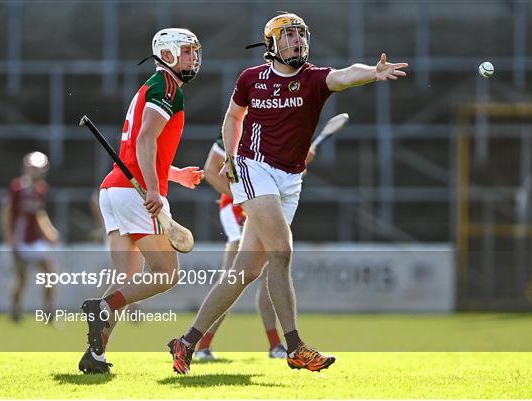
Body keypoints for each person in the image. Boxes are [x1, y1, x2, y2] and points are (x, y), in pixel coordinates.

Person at [168, 12, 408, 375]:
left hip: (291, 179)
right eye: (289, 35)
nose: (298, 41)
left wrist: (373, 73)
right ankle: (294, 346)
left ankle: (185, 342)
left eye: (301, 35)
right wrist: (232, 157)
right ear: (272, 44)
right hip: (254, 166)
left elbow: (344, 75)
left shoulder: (313, 79)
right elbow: (233, 119)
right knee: (282, 250)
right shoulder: (251, 79)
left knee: (246, 271)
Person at [78, 28, 205, 374]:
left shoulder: (153, 86)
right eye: (187, 51)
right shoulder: (166, 87)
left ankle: (95, 355)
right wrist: (153, 190)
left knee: (127, 277)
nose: (193, 57)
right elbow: (146, 140)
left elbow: (142, 147)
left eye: (194, 51)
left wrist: (174, 175)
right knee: (166, 274)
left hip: (114, 191)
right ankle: (103, 307)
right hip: (136, 193)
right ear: (166, 55)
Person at [194, 129, 316, 361]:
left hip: (269, 209)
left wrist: (301, 161)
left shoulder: (284, 126)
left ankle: (276, 346)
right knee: (234, 275)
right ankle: (199, 345)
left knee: (272, 271)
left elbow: (290, 179)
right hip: (237, 209)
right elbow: (211, 170)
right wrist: (246, 199)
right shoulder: (241, 126)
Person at [0, 151, 58, 323]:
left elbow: (39, 213)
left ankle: (49, 313)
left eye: (38, 169)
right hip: (20, 240)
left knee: (50, 274)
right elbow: (6, 213)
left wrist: (48, 231)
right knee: (21, 279)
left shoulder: (42, 189)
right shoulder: (17, 188)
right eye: (33, 168)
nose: (36, 172)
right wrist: (10, 239)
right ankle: (15, 311)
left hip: (36, 241)